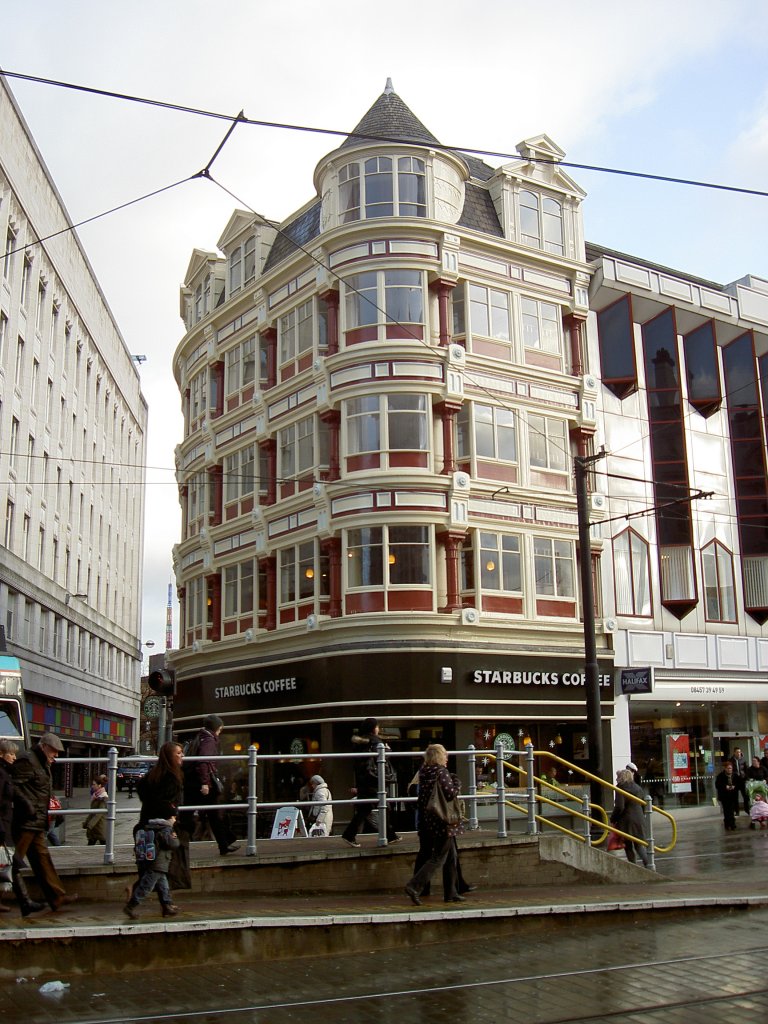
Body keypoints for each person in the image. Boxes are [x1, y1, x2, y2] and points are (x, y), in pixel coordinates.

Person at [11, 732, 78, 915]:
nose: (56, 755)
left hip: (37, 821)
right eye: (54, 751)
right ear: (44, 746)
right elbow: (13, 786)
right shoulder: (27, 760)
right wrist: (27, 806)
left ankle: (56, 896)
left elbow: (41, 790)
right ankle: (24, 900)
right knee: (12, 862)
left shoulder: (42, 762)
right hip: (26, 820)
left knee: (42, 858)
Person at [405, 743, 464, 905]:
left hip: (430, 818)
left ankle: (451, 892)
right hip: (444, 820)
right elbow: (450, 794)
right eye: (444, 754)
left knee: (451, 855)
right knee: (438, 857)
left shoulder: (424, 772)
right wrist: (457, 783)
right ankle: (414, 886)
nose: (447, 757)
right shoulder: (441, 772)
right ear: (439, 756)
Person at [179, 715, 239, 855]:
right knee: (213, 813)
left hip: (193, 781)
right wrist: (205, 783)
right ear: (216, 727)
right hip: (202, 783)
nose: (220, 732)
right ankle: (225, 842)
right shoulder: (209, 740)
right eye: (220, 729)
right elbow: (204, 761)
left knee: (197, 813)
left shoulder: (199, 737)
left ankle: (224, 843)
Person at [341, 717, 400, 847]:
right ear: (373, 728)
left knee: (365, 808)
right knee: (384, 805)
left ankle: (388, 835)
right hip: (374, 780)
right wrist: (387, 748)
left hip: (363, 780)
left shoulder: (359, 742)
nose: (378, 729)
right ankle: (388, 835)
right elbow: (385, 754)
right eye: (377, 726)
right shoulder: (375, 741)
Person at [123, 814, 181, 918]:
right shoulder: (166, 829)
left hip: (152, 861)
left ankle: (167, 907)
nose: (174, 819)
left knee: (163, 886)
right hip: (158, 863)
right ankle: (130, 907)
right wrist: (175, 837)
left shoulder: (151, 827)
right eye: (173, 817)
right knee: (146, 886)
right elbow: (173, 844)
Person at [0, 739, 31, 913]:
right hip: (2, 827)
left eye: (14, 754)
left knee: (11, 862)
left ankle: (26, 902)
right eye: (10, 754)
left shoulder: (6, 773)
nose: (14, 757)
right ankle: (26, 902)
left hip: (5, 824)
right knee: (11, 862)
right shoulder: (1, 774)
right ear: (1, 755)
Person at [610, 769, 649, 867]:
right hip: (639, 818)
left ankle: (633, 866)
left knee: (628, 845)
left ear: (621, 778)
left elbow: (619, 806)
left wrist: (613, 818)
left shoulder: (620, 788)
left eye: (618, 777)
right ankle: (648, 864)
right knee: (638, 845)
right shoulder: (637, 788)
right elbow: (643, 804)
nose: (616, 779)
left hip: (626, 820)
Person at [83, 775, 108, 846]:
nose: (92, 786)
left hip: (99, 826)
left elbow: (99, 813)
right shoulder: (96, 795)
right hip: (95, 827)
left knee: (102, 844)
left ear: (99, 785)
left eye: (94, 784)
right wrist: (86, 822)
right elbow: (91, 812)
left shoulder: (103, 797)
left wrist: (90, 824)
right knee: (92, 845)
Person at [715, 760, 739, 831]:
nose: (729, 770)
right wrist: (725, 787)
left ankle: (732, 823)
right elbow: (718, 785)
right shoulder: (720, 776)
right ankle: (727, 823)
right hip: (724, 796)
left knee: (731, 810)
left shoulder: (735, 775)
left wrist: (735, 786)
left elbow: (739, 784)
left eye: (730, 768)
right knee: (726, 810)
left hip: (733, 795)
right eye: (728, 768)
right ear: (725, 768)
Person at [730, 748, 749, 814]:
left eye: (740, 752)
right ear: (734, 753)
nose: (739, 753)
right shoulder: (731, 760)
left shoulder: (743, 760)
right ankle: (737, 811)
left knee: (746, 796)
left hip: (742, 780)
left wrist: (746, 778)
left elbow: (746, 769)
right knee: (735, 797)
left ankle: (747, 810)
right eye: (737, 752)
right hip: (735, 780)